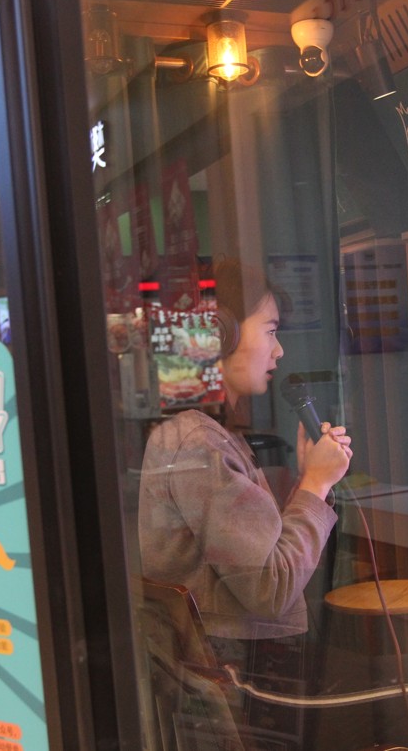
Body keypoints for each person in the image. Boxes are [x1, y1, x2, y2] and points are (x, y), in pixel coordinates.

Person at [140, 259, 352, 648]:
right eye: (271, 332)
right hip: (246, 682)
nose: (279, 350)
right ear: (221, 334)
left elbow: (261, 556)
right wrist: (314, 485)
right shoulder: (199, 443)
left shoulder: (210, 433)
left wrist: (310, 483)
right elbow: (270, 590)